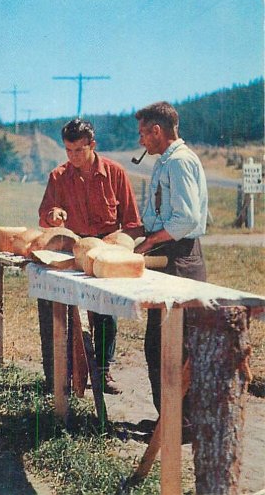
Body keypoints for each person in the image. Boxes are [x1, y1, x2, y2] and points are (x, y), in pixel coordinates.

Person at [37, 118, 142, 394]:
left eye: (79, 151)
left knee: (104, 312)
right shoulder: (58, 176)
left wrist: (116, 245)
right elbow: (44, 215)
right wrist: (53, 215)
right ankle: (68, 374)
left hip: (106, 249)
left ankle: (103, 372)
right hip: (73, 249)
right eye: (68, 151)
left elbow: (133, 223)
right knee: (65, 310)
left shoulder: (116, 174)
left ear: (92, 145)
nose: (73, 157)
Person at [128, 101, 208, 415]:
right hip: (169, 256)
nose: (140, 141)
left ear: (157, 131)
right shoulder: (165, 162)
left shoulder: (179, 162)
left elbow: (185, 220)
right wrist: (138, 229)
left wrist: (148, 243)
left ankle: (179, 425)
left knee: (174, 345)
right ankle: (170, 423)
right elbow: (163, 216)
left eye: (142, 134)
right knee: (159, 345)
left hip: (181, 260)